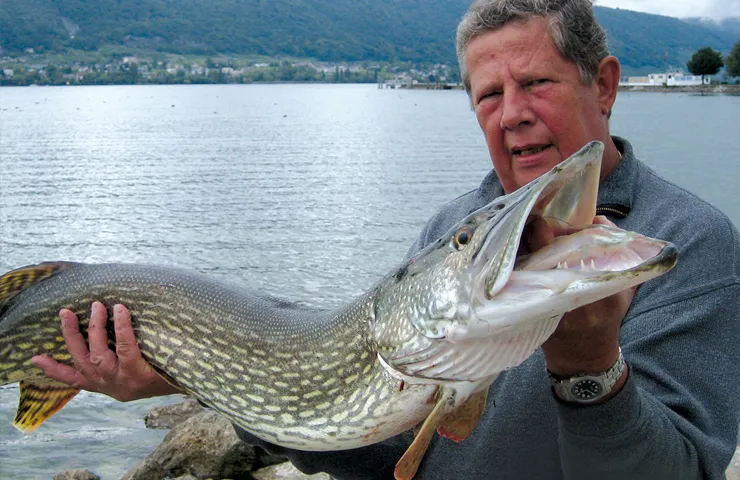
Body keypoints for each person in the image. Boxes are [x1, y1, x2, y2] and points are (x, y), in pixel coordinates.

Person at [33, 0, 740, 478]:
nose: (513, 114)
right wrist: (195, 377)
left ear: (606, 85)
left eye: (536, 83)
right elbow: (383, 451)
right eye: (489, 96)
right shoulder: (453, 231)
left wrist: (590, 372)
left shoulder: (687, 244)